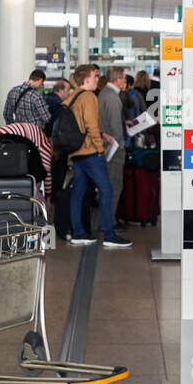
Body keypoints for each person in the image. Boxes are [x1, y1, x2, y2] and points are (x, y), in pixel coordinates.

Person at [65, 64, 131, 248]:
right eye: (94, 77)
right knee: (106, 189)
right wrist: (100, 148)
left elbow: (80, 125)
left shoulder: (72, 97)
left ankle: (77, 232)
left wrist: (101, 134)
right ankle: (109, 234)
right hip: (90, 152)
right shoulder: (89, 97)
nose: (97, 80)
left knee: (78, 192)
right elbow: (91, 126)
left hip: (76, 151)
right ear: (86, 79)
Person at [98, 66, 128, 220]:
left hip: (105, 146)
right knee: (114, 186)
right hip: (113, 149)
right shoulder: (112, 97)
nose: (125, 81)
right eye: (124, 78)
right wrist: (121, 145)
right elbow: (115, 127)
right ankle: (108, 223)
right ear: (117, 80)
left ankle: (105, 221)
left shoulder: (104, 93)